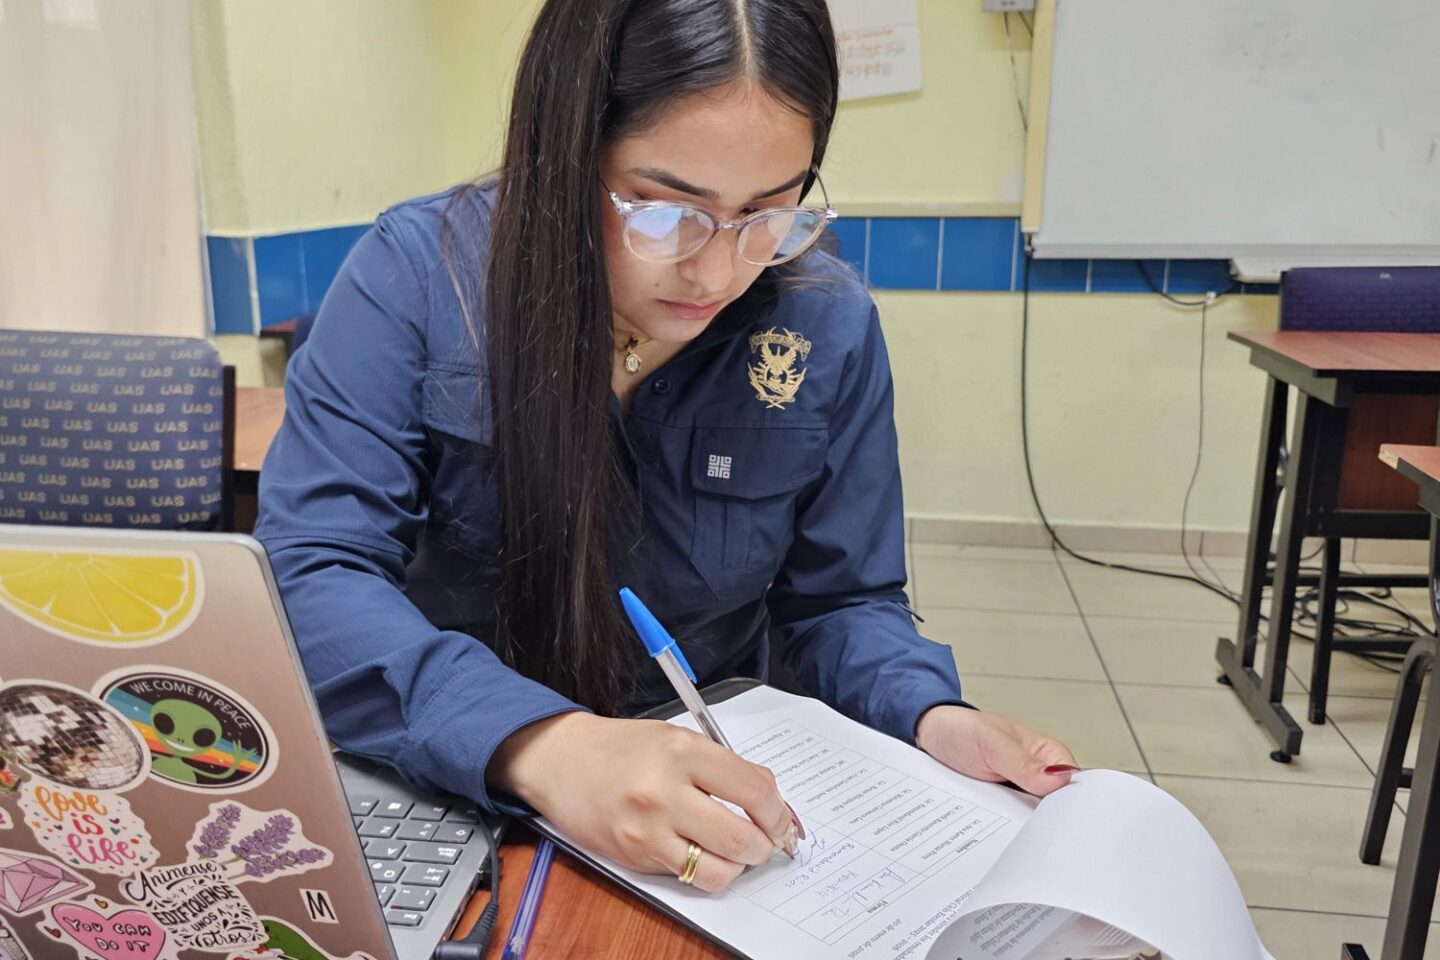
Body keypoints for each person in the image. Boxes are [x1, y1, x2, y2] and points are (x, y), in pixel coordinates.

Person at [255, 0, 1076, 895]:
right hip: (444, 774)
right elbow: (312, 575)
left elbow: (842, 601)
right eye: (665, 211)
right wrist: (546, 743)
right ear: (564, 157)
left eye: (769, 211)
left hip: (703, 802)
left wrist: (930, 711)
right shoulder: (420, 277)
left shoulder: (823, 323)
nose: (718, 272)